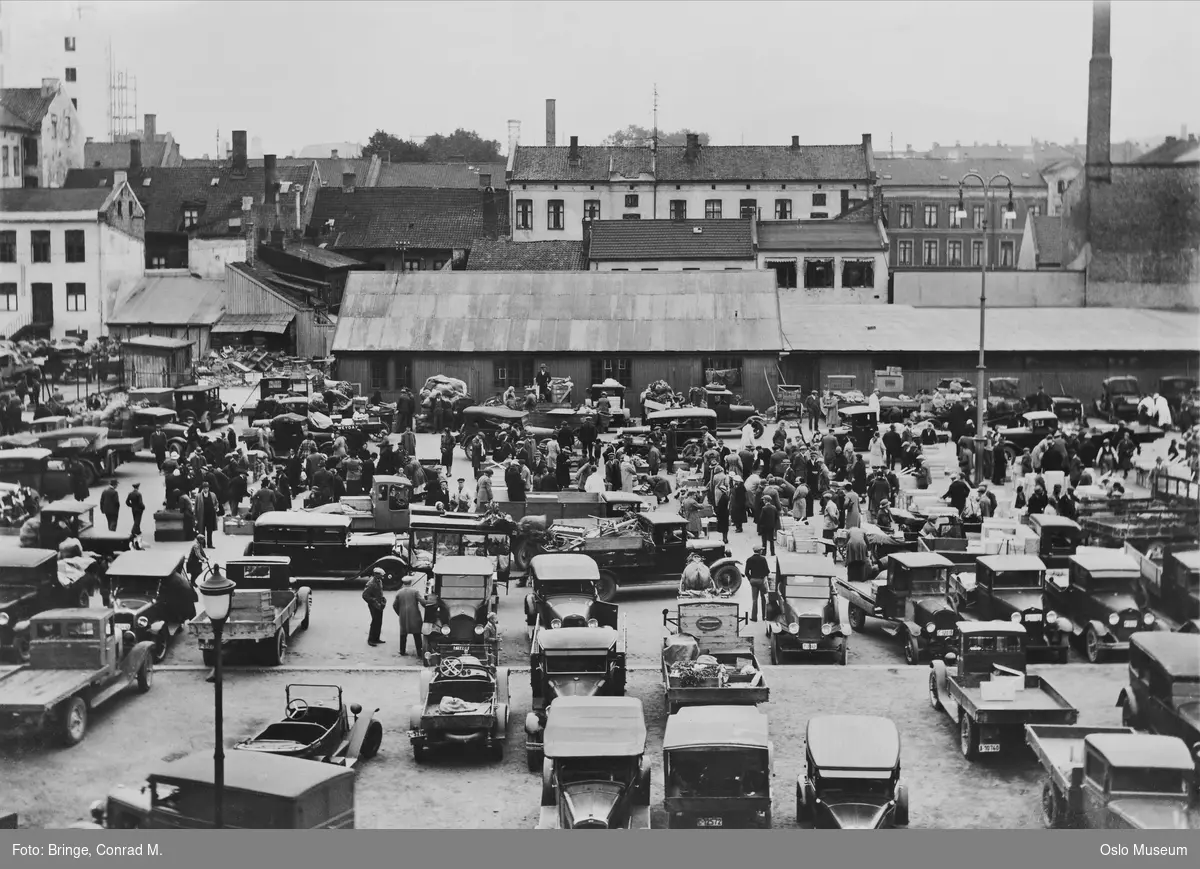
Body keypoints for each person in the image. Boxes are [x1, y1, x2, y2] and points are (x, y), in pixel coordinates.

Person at [392, 576, 430, 657]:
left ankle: (402, 651)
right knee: (417, 635)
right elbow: (423, 602)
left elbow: (394, 605)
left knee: (403, 634)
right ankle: (419, 652)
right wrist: (428, 602)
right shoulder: (415, 591)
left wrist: (400, 613)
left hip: (403, 617)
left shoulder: (399, 592)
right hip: (414, 616)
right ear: (410, 582)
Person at [745, 544, 770, 621]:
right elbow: (767, 571)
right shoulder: (763, 559)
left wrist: (750, 579)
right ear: (759, 551)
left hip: (753, 580)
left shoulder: (749, 559)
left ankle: (754, 617)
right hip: (761, 580)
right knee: (764, 599)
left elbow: (746, 572)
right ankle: (764, 616)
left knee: (754, 599)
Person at [363, 568, 387, 647]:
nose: (383, 577)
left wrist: (382, 599)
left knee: (379, 621)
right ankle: (371, 639)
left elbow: (380, 591)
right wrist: (373, 600)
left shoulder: (379, 581)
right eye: (381, 575)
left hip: (379, 604)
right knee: (374, 622)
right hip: (373, 605)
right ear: (377, 575)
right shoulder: (371, 583)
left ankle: (376, 638)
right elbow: (365, 595)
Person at [197, 482, 219, 548]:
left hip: (210, 516)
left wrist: (216, 507)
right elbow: (196, 507)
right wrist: (196, 516)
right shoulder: (198, 496)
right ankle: (202, 544)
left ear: (208, 488)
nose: (205, 489)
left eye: (206, 488)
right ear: (202, 489)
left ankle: (210, 544)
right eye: (204, 488)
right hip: (202, 516)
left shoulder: (213, 495)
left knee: (210, 531)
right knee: (202, 531)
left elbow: (216, 502)